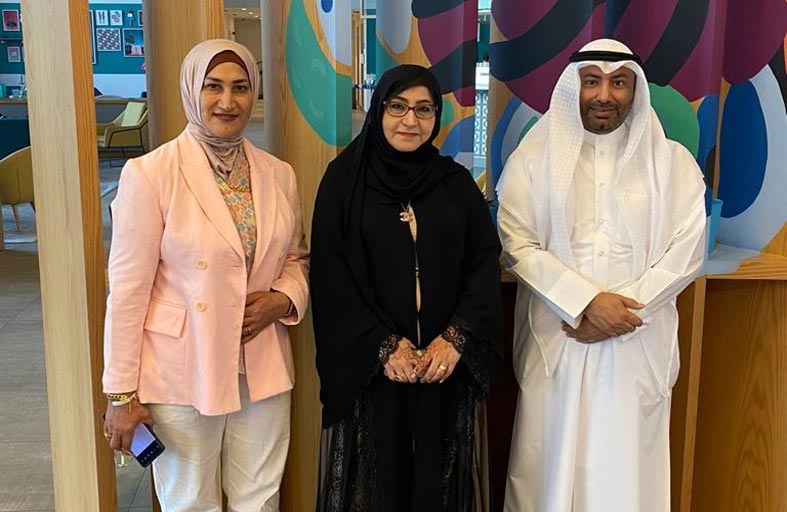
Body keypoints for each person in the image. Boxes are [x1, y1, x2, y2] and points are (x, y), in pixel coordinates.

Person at [497, 39, 707, 511]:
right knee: (547, 467)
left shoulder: (671, 164)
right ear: (573, 88)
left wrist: (622, 313)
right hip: (559, 337)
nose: (604, 95)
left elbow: (686, 251)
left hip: (636, 342)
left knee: (625, 471)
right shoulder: (533, 159)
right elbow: (517, 243)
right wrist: (587, 303)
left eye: (618, 83)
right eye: (591, 81)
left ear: (635, 90)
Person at [101, 39, 309, 511]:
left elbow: (297, 260)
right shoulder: (151, 174)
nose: (227, 101)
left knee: (261, 498)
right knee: (190, 501)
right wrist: (121, 393)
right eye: (213, 86)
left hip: (260, 363)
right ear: (192, 90)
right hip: (182, 367)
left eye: (240, 87)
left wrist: (282, 299)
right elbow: (128, 293)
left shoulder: (278, 174)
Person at [311, 64, 502, 512]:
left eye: (423, 109)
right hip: (374, 367)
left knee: (438, 481)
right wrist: (383, 346)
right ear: (378, 109)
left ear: (436, 116)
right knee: (376, 482)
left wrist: (455, 339)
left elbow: (482, 264)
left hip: (441, 366)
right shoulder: (344, 182)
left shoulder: (455, 184)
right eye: (397, 107)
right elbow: (331, 276)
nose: (410, 121)